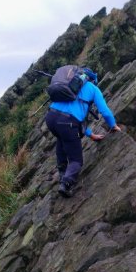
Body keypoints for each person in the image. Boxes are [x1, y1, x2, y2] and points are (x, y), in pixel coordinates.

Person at [45, 67, 121, 197]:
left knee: (62, 139)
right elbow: (105, 112)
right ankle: (66, 184)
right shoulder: (93, 88)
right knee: (76, 161)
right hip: (67, 122)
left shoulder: (68, 86)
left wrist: (91, 135)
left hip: (50, 118)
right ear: (92, 79)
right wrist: (113, 125)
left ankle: (62, 172)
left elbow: (76, 121)